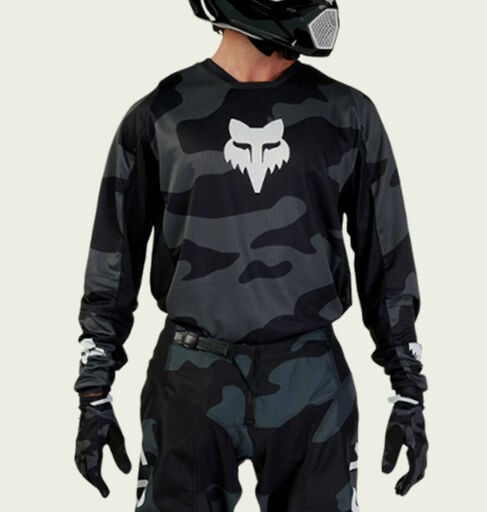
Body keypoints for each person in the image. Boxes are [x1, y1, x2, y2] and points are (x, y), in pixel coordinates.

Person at [73, 2, 429, 511]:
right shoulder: (160, 116)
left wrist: (408, 388)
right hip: (191, 380)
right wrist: (94, 391)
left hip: (309, 378)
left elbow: (387, 259)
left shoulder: (347, 115)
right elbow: (113, 262)